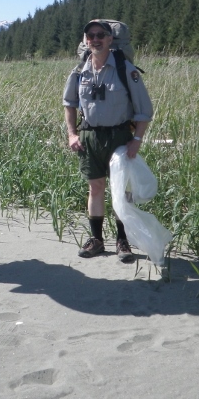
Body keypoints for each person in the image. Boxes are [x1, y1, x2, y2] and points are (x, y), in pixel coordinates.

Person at [63, 20, 153, 263]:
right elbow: (69, 104)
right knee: (95, 188)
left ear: (110, 39)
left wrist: (136, 140)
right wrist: (72, 134)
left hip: (119, 136)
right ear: (85, 40)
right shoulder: (79, 70)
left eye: (100, 34)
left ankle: (122, 240)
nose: (95, 39)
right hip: (89, 136)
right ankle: (97, 240)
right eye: (90, 35)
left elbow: (144, 110)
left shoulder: (126, 69)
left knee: (121, 191)